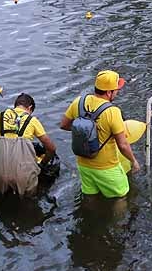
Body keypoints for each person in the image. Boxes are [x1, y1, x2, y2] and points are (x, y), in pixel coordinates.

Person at [60, 70, 139, 199]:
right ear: (109, 92)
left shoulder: (79, 102)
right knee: (121, 197)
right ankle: (118, 220)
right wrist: (133, 161)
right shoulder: (112, 111)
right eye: (116, 89)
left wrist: (86, 132)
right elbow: (123, 145)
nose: (117, 92)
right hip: (107, 168)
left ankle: (89, 217)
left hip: (83, 165)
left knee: (90, 197)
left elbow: (64, 125)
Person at [0, 93, 56, 196]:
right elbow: (51, 148)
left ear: (16, 105)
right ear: (30, 108)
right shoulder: (32, 120)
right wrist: (42, 164)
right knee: (29, 200)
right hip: (22, 173)